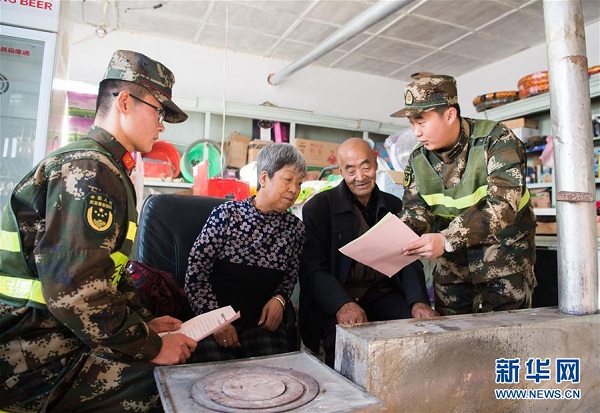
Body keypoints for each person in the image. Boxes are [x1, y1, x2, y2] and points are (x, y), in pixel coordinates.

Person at [0, 50, 197, 412]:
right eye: (158, 111)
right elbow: (76, 290)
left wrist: (143, 325)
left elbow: (107, 274)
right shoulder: (89, 168)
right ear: (124, 101)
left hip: (55, 336)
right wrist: (152, 345)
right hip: (30, 356)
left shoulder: (104, 166)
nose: (162, 125)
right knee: (172, 391)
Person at [391, 74, 537, 315]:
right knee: (451, 337)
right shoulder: (418, 160)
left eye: (421, 121)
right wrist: (392, 238)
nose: (416, 132)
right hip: (453, 267)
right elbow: (416, 211)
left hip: (503, 260)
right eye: (411, 123)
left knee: (506, 337)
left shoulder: (496, 141)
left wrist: (446, 239)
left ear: (449, 115)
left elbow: (503, 205)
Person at [299, 137, 438, 368]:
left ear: (375, 164)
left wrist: (419, 301)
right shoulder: (319, 208)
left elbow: (409, 259)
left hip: (382, 293)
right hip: (339, 296)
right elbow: (313, 269)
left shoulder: (395, 206)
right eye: (350, 169)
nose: (360, 177)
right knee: (347, 350)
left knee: (418, 332)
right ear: (340, 170)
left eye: (366, 167)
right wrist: (341, 304)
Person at [184, 143, 307, 362]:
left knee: (273, 380)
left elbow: (289, 277)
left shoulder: (294, 228)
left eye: (299, 183)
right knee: (210, 382)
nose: (294, 190)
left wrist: (280, 299)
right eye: (288, 180)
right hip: (213, 319)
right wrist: (217, 322)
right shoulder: (227, 215)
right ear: (263, 178)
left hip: (260, 323)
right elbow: (196, 275)